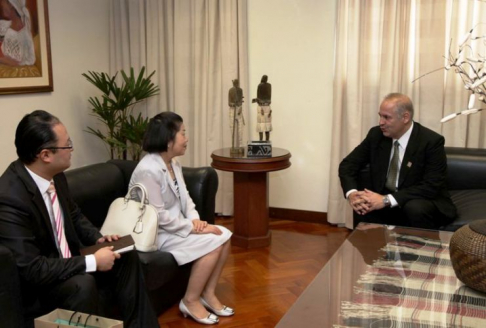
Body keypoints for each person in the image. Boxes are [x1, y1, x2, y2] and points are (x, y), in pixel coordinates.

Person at [0, 110, 159, 328]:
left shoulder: (55, 174)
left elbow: (73, 214)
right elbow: (31, 269)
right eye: (67, 145)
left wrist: (99, 239)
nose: (72, 149)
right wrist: (92, 261)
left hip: (68, 262)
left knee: (124, 253)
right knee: (82, 284)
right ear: (45, 155)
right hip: (40, 283)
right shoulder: (9, 197)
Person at [129, 112, 234, 325]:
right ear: (169, 139)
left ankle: (208, 293)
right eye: (183, 133)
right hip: (157, 233)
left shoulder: (172, 163)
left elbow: (186, 199)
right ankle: (190, 300)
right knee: (214, 241)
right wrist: (193, 228)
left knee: (225, 234)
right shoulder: (148, 170)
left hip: (175, 227)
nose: (186, 139)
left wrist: (196, 221)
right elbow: (158, 216)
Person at [339, 93, 457, 229]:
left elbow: (431, 186)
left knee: (415, 208)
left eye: (386, 117)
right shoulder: (376, 135)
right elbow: (348, 165)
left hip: (419, 200)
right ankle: (369, 249)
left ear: (405, 117)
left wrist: (386, 200)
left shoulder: (430, 141)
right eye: (380, 116)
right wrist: (353, 194)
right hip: (385, 197)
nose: (381, 122)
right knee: (363, 203)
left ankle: (417, 249)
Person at [0, 0, 35, 66]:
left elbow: (31, 59)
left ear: (11, 4)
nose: (1, 7)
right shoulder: (4, 26)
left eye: (3, 5)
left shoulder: (25, 31)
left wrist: (6, 61)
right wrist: (4, 60)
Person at [252, 75, 272, 141]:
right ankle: (267, 142)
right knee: (267, 127)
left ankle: (261, 142)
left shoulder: (260, 85)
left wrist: (255, 100)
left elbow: (258, 97)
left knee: (261, 126)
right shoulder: (269, 86)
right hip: (268, 107)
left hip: (261, 107)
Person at [228, 78, 245, 150]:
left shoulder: (240, 90)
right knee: (232, 127)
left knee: (240, 128)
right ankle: (232, 145)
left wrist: (239, 106)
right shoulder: (231, 90)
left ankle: (240, 145)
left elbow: (240, 101)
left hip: (238, 109)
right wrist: (233, 103)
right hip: (232, 109)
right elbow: (229, 102)